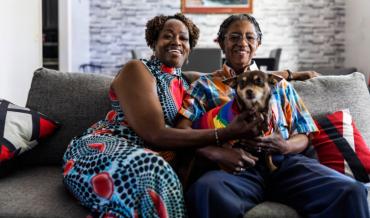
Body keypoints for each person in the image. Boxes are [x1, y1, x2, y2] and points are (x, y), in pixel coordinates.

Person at [62, 13, 271, 218]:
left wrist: (292, 75)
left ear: (190, 48)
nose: (177, 42)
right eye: (168, 35)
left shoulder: (189, 83)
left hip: (154, 158)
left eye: (184, 38)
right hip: (107, 147)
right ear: (154, 41)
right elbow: (156, 135)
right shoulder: (137, 69)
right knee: (153, 167)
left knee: (163, 170)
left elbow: (231, 76)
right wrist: (222, 137)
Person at [177, 14, 369, 218]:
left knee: (352, 191)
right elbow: (181, 131)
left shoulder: (280, 85)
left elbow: (304, 132)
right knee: (206, 191)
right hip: (236, 166)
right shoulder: (203, 86)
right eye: (234, 37)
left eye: (250, 38)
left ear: (257, 44)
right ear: (222, 44)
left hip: (285, 163)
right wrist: (216, 153)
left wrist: (285, 146)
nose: (243, 43)